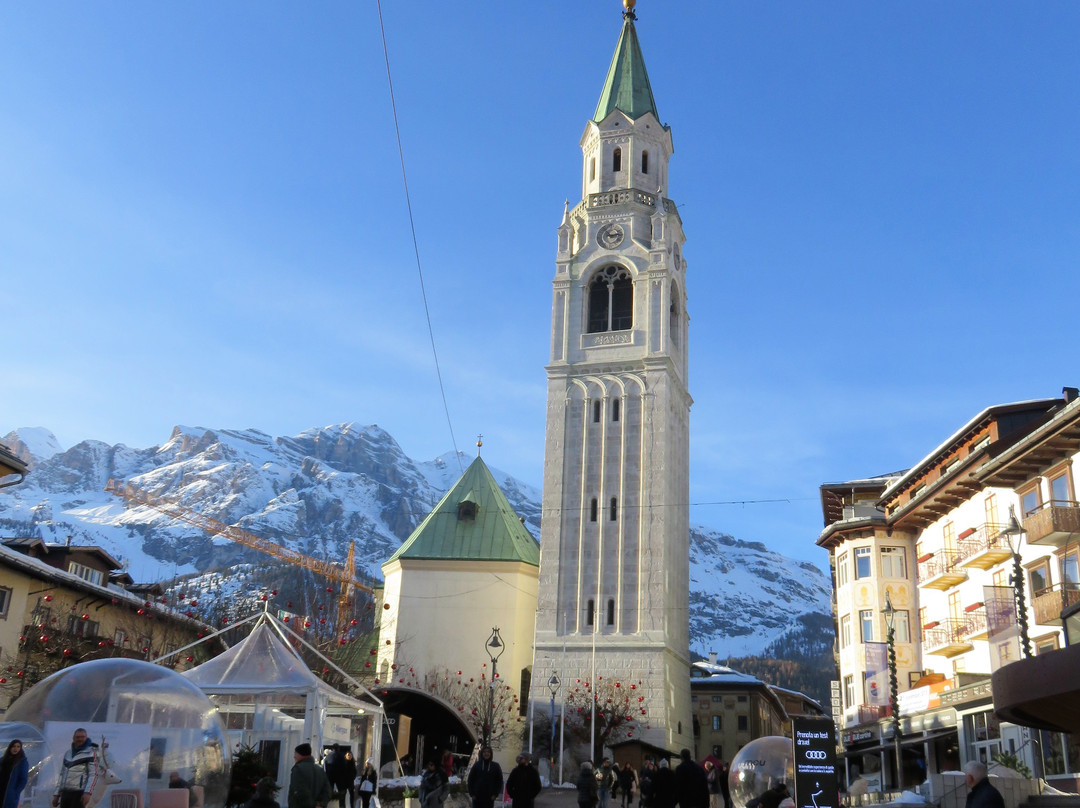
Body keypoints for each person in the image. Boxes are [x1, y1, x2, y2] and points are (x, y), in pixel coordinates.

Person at [52, 729, 99, 808]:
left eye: (82, 737)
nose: (80, 739)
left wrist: (88, 792)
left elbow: (93, 774)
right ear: (73, 738)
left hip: (79, 793)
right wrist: (56, 794)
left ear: (86, 738)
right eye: (78, 737)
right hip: (65, 792)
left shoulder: (91, 753)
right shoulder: (68, 753)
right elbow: (62, 774)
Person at [290, 743, 332, 808]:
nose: (294, 756)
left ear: (300, 754)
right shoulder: (320, 770)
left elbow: (300, 791)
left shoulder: (298, 769)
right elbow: (327, 790)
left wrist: (313, 805)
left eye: (295, 753)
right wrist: (321, 804)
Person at [1, 740, 30, 808]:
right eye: (13, 746)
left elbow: (23, 780)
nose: (15, 749)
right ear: (10, 748)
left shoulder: (22, 762)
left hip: (10, 793)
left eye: (18, 747)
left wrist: (15, 792)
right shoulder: (3, 760)